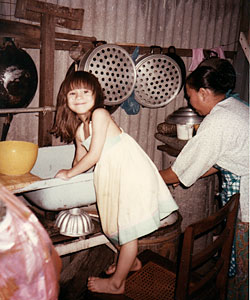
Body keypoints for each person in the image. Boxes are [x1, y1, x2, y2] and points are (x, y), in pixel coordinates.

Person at [51, 70, 178, 294]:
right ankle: (133, 263)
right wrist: (64, 177)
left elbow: (95, 155)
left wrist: (69, 174)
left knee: (127, 230)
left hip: (130, 174)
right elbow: (80, 159)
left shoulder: (100, 114)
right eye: (73, 93)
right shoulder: (81, 130)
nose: (79, 97)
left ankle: (117, 283)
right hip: (112, 178)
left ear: (96, 95)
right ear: (65, 99)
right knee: (113, 227)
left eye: (85, 92)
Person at [160, 59, 249, 300]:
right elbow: (222, 158)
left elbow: (178, 172)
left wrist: (149, 178)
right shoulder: (236, 106)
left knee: (245, 271)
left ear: (204, 92)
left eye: (190, 97)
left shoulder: (217, 120)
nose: (189, 103)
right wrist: (191, 171)